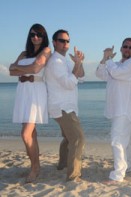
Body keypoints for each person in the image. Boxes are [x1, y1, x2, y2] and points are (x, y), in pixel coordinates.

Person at [9, 23, 51, 183]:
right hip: (23, 92)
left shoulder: (46, 51)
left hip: (35, 92)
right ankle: (36, 165)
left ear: (43, 37)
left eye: (39, 35)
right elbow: (11, 72)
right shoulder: (23, 53)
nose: (35, 37)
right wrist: (18, 68)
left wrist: (17, 67)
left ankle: (35, 168)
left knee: (25, 134)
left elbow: (35, 69)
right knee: (31, 134)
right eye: (33, 34)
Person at [95, 38, 131, 182]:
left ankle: (118, 174)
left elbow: (116, 73)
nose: (128, 49)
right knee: (124, 141)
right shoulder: (118, 64)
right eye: (125, 47)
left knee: (117, 140)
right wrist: (104, 59)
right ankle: (128, 166)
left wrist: (108, 59)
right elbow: (100, 74)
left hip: (125, 108)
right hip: (117, 108)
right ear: (121, 49)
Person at [45, 29, 85, 182]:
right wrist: (76, 66)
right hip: (61, 106)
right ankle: (73, 175)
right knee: (78, 138)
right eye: (62, 41)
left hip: (68, 106)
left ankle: (62, 164)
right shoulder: (55, 62)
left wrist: (79, 62)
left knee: (69, 138)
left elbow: (80, 77)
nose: (65, 44)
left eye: (67, 41)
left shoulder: (65, 60)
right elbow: (69, 83)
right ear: (54, 42)